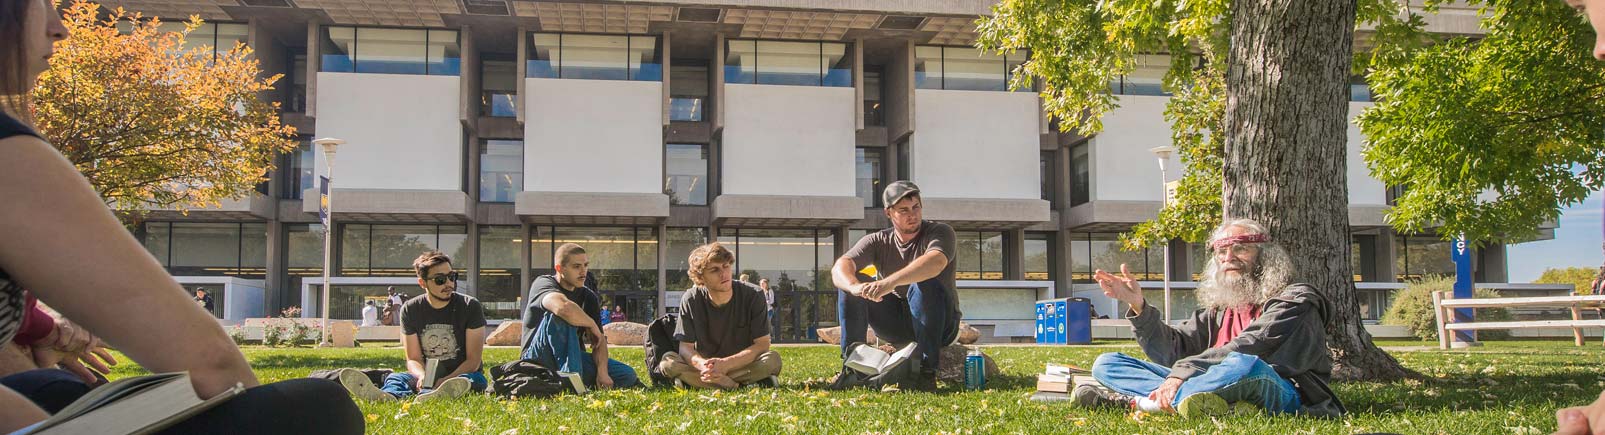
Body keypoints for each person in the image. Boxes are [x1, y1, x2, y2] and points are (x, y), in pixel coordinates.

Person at [0, 1, 363, 432]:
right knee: (314, 408)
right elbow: (209, 362)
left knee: (56, 388)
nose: (59, 29)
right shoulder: (11, 157)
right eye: (40, 4)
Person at [1074, 219, 1344, 418]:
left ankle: (1140, 403)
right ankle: (1204, 401)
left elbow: (1253, 344)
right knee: (1106, 363)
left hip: (1280, 386)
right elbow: (1174, 351)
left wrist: (1180, 376)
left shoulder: (1296, 299)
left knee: (1243, 365)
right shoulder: (1220, 309)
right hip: (1206, 380)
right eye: (1222, 252)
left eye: (1240, 249)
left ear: (1266, 255)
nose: (1229, 258)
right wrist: (1138, 306)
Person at [831, 180, 961, 391]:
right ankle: (854, 366)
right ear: (889, 213)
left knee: (923, 281)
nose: (912, 214)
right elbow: (839, 267)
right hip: (896, 323)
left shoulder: (941, 232)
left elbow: (935, 262)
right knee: (852, 285)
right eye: (903, 210)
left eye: (916, 207)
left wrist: (888, 282)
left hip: (940, 322)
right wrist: (855, 287)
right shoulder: (877, 240)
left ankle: (926, 371)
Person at [339, 252, 486, 402]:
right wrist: (422, 376)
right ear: (422, 283)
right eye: (440, 279)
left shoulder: (470, 306)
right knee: (396, 378)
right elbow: (413, 358)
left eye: (452, 277)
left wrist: (446, 380)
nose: (449, 283)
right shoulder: (410, 309)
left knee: (473, 381)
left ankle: (434, 394)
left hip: (462, 374)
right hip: (427, 374)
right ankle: (389, 396)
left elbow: (473, 361)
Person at [659, 243, 782, 389]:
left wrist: (726, 364)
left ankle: (702, 383)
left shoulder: (753, 295)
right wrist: (704, 365)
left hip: (742, 363)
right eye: (714, 270)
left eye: (726, 266)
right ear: (701, 277)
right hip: (707, 366)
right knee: (668, 362)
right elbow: (685, 348)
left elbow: (762, 344)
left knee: (772, 360)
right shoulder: (691, 299)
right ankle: (736, 385)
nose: (723, 274)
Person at [520, 243, 641, 390]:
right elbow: (562, 307)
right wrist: (591, 324)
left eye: (585, 265)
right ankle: (572, 383)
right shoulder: (543, 283)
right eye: (576, 267)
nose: (583, 272)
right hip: (537, 358)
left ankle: (568, 379)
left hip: (573, 357)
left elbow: (599, 341)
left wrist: (602, 372)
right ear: (559, 268)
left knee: (626, 374)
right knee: (561, 316)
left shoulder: (588, 296)